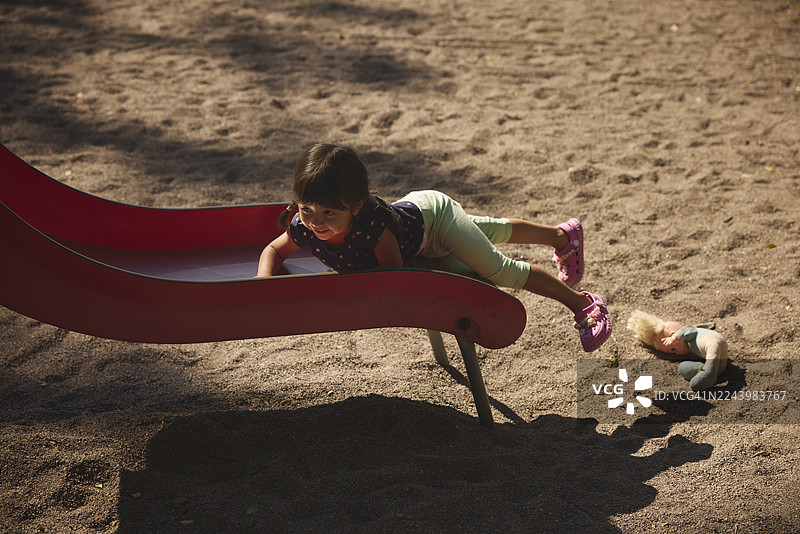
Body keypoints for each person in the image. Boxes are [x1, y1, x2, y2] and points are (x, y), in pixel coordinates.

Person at [257, 143, 612, 352]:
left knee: (498, 270)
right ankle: (562, 237)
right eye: (307, 209)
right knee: (492, 230)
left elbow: (393, 273)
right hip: (419, 227)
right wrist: (264, 284)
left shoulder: (372, 230)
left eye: (328, 212)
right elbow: (274, 251)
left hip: (436, 220)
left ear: (356, 206)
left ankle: (583, 304)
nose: (316, 221)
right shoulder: (303, 227)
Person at [626, 310, 729, 391]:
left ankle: (709, 371)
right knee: (684, 367)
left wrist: (675, 337)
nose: (677, 353)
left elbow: (688, 329)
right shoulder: (691, 346)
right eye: (673, 351)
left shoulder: (689, 333)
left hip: (711, 341)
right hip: (720, 357)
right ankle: (705, 369)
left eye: (674, 348)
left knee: (713, 349)